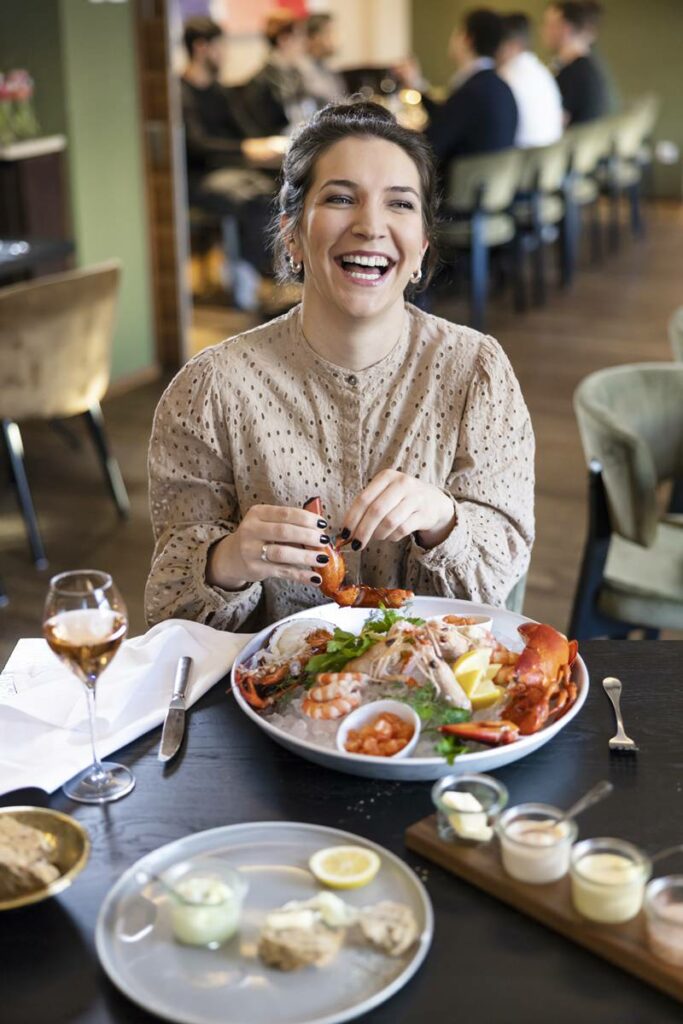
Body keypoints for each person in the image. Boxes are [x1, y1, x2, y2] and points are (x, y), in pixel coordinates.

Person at [146, 102, 535, 631]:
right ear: (292, 235)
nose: (371, 226)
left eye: (399, 204)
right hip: (267, 696)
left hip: (433, 693)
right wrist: (231, 559)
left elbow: (497, 581)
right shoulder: (211, 388)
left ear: (421, 247)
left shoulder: (476, 372)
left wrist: (443, 520)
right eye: (341, 198)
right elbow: (170, 609)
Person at [180, 16, 280, 309]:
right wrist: (245, 149)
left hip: (232, 171)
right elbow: (197, 146)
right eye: (220, 46)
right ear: (202, 48)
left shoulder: (220, 91)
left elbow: (246, 131)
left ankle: (263, 271)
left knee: (279, 188)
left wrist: (265, 145)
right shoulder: (181, 92)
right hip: (198, 178)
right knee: (253, 198)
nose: (225, 53)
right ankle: (250, 278)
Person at [422, 9, 518, 173]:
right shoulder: (503, 88)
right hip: (491, 191)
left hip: (455, 192)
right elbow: (448, 118)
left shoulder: (472, 91)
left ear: (467, 39)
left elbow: (428, 145)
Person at [243, 10, 314, 137]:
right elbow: (266, 133)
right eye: (300, 37)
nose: (305, 43)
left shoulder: (297, 74)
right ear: (284, 40)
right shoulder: (260, 83)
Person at [497, 13, 563, 148]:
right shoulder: (544, 73)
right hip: (547, 162)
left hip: (516, 161)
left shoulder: (506, 76)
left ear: (511, 45)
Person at [542, 1, 609, 125]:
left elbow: (552, 122)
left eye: (550, 25)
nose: (544, 31)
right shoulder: (588, 67)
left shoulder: (573, 73)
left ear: (566, 29)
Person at [298, 13, 346, 108]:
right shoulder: (302, 72)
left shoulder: (326, 67)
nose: (335, 38)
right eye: (329, 32)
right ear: (313, 38)